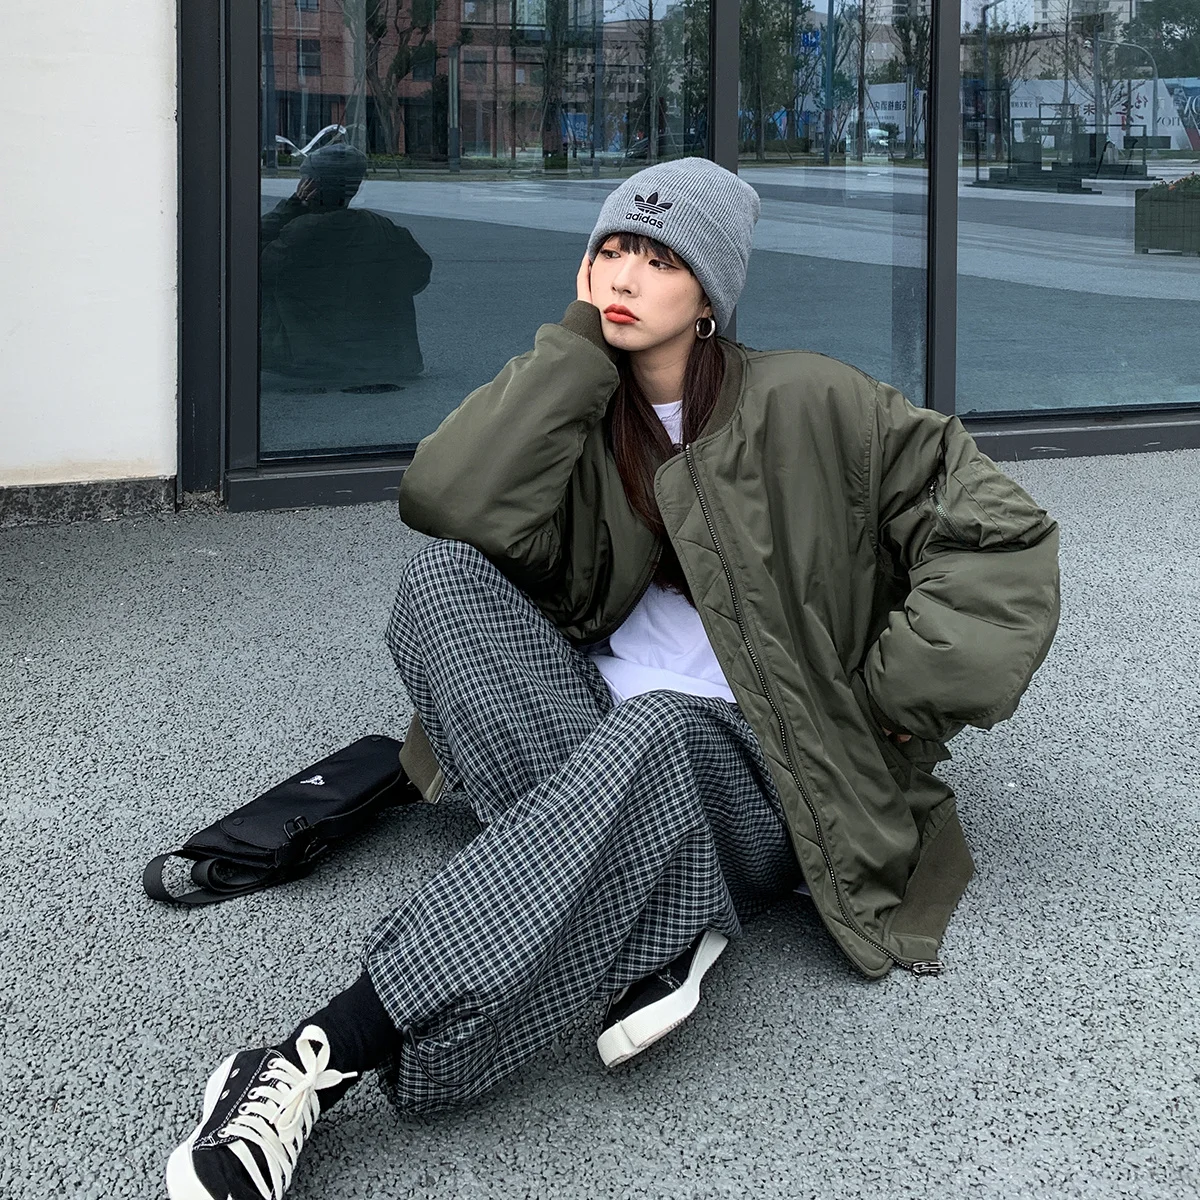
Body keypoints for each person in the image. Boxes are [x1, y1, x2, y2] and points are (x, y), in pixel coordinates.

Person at [166, 158, 1060, 1200]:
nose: (625, 276)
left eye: (661, 258)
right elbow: (448, 499)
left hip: (762, 768)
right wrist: (576, 352)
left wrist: (885, 707)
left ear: (711, 293)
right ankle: (668, 906)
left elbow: (1001, 539)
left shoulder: (817, 401)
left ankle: (317, 1058)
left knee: (663, 728)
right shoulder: (582, 409)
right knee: (442, 584)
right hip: (592, 733)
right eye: (611, 249)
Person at [259, 143, 432, 390]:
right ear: (356, 186)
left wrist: (293, 206)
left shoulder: (299, 233)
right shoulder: (384, 228)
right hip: (383, 357)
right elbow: (419, 275)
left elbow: (250, 266)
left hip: (312, 359)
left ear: (310, 186)